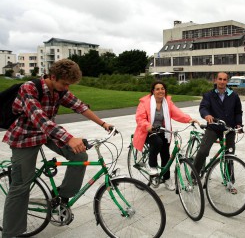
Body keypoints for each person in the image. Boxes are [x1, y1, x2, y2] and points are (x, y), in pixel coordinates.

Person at [2, 59, 113, 238]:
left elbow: (80, 106)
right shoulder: (29, 88)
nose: (67, 88)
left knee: (79, 155)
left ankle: (62, 197)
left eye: (69, 85)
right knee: (21, 186)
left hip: (47, 134)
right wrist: (69, 138)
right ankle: (9, 234)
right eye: (64, 84)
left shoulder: (60, 90)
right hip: (24, 137)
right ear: (52, 77)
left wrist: (103, 123)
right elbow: (40, 119)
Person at [133, 81, 198, 191]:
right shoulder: (145, 102)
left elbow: (177, 112)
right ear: (153, 91)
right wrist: (148, 126)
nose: (160, 91)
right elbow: (140, 118)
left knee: (166, 154)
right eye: (157, 89)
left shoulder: (167, 102)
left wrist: (189, 119)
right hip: (147, 131)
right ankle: (153, 167)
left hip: (163, 130)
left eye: (162, 88)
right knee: (157, 142)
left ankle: (167, 178)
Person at [193, 72, 243, 192]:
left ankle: (229, 181)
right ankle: (194, 175)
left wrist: (239, 124)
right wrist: (207, 115)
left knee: (229, 156)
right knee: (203, 151)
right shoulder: (209, 95)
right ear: (216, 80)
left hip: (228, 129)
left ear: (227, 81)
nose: (222, 81)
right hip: (214, 128)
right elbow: (203, 107)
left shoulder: (234, 95)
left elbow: (238, 112)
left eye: (224, 79)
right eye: (219, 79)